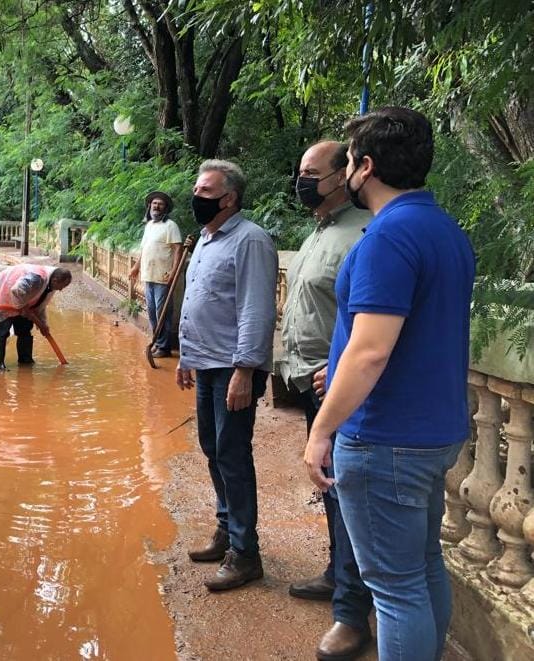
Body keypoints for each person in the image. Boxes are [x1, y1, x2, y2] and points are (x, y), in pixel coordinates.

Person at [304, 107, 475, 661]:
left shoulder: (387, 238)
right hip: (434, 432)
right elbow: (406, 332)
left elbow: (373, 350)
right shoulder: (445, 230)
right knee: (422, 568)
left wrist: (322, 429)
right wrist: (342, 358)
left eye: (349, 162)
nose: (348, 172)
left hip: (385, 438)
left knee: (395, 590)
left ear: (366, 167)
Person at [281, 141, 373, 659]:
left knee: (346, 495)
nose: (303, 180)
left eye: (311, 172)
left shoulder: (363, 233)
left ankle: (352, 614)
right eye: (301, 171)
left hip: (339, 388)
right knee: (330, 491)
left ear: (344, 175)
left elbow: (371, 323)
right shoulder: (319, 232)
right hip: (309, 383)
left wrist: (333, 371)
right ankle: (339, 578)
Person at [176, 159, 278, 591]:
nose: (196, 198)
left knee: (233, 456)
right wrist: (186, 356)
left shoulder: (250, 241)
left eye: (204, 191)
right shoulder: (206, 238)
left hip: (234, 368)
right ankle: (227, 529)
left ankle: (245, 552)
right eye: (197, 191)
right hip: (206, 363)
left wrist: (244, 371)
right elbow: (198, 300)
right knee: (212, 448)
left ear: (229, 197)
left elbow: (256, 311)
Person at [0, 264, 72, 370]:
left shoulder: (49, 285)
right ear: (55, 280)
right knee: (3, 329)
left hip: (24, 300)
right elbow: (16, 290)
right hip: (4, 293)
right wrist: (25, 310)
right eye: (63, 286)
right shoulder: (36, 279)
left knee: (25, 329)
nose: (61, 289)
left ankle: (25, 361)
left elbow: (41, 304)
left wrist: (43, 323)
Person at [129, 191, 182, 357]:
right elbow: (145, 249)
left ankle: (164, 348)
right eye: (154, 204)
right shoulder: (150, 225)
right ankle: (157, 341)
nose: (156, 206)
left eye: (160, 204)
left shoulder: (170, 226)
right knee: (152, 312)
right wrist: (136, 267)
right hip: (148, 275)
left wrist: (174, 272)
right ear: (149, 206)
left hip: (163, 276)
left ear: (165, 208)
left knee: (163, 312)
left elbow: (178, 249)